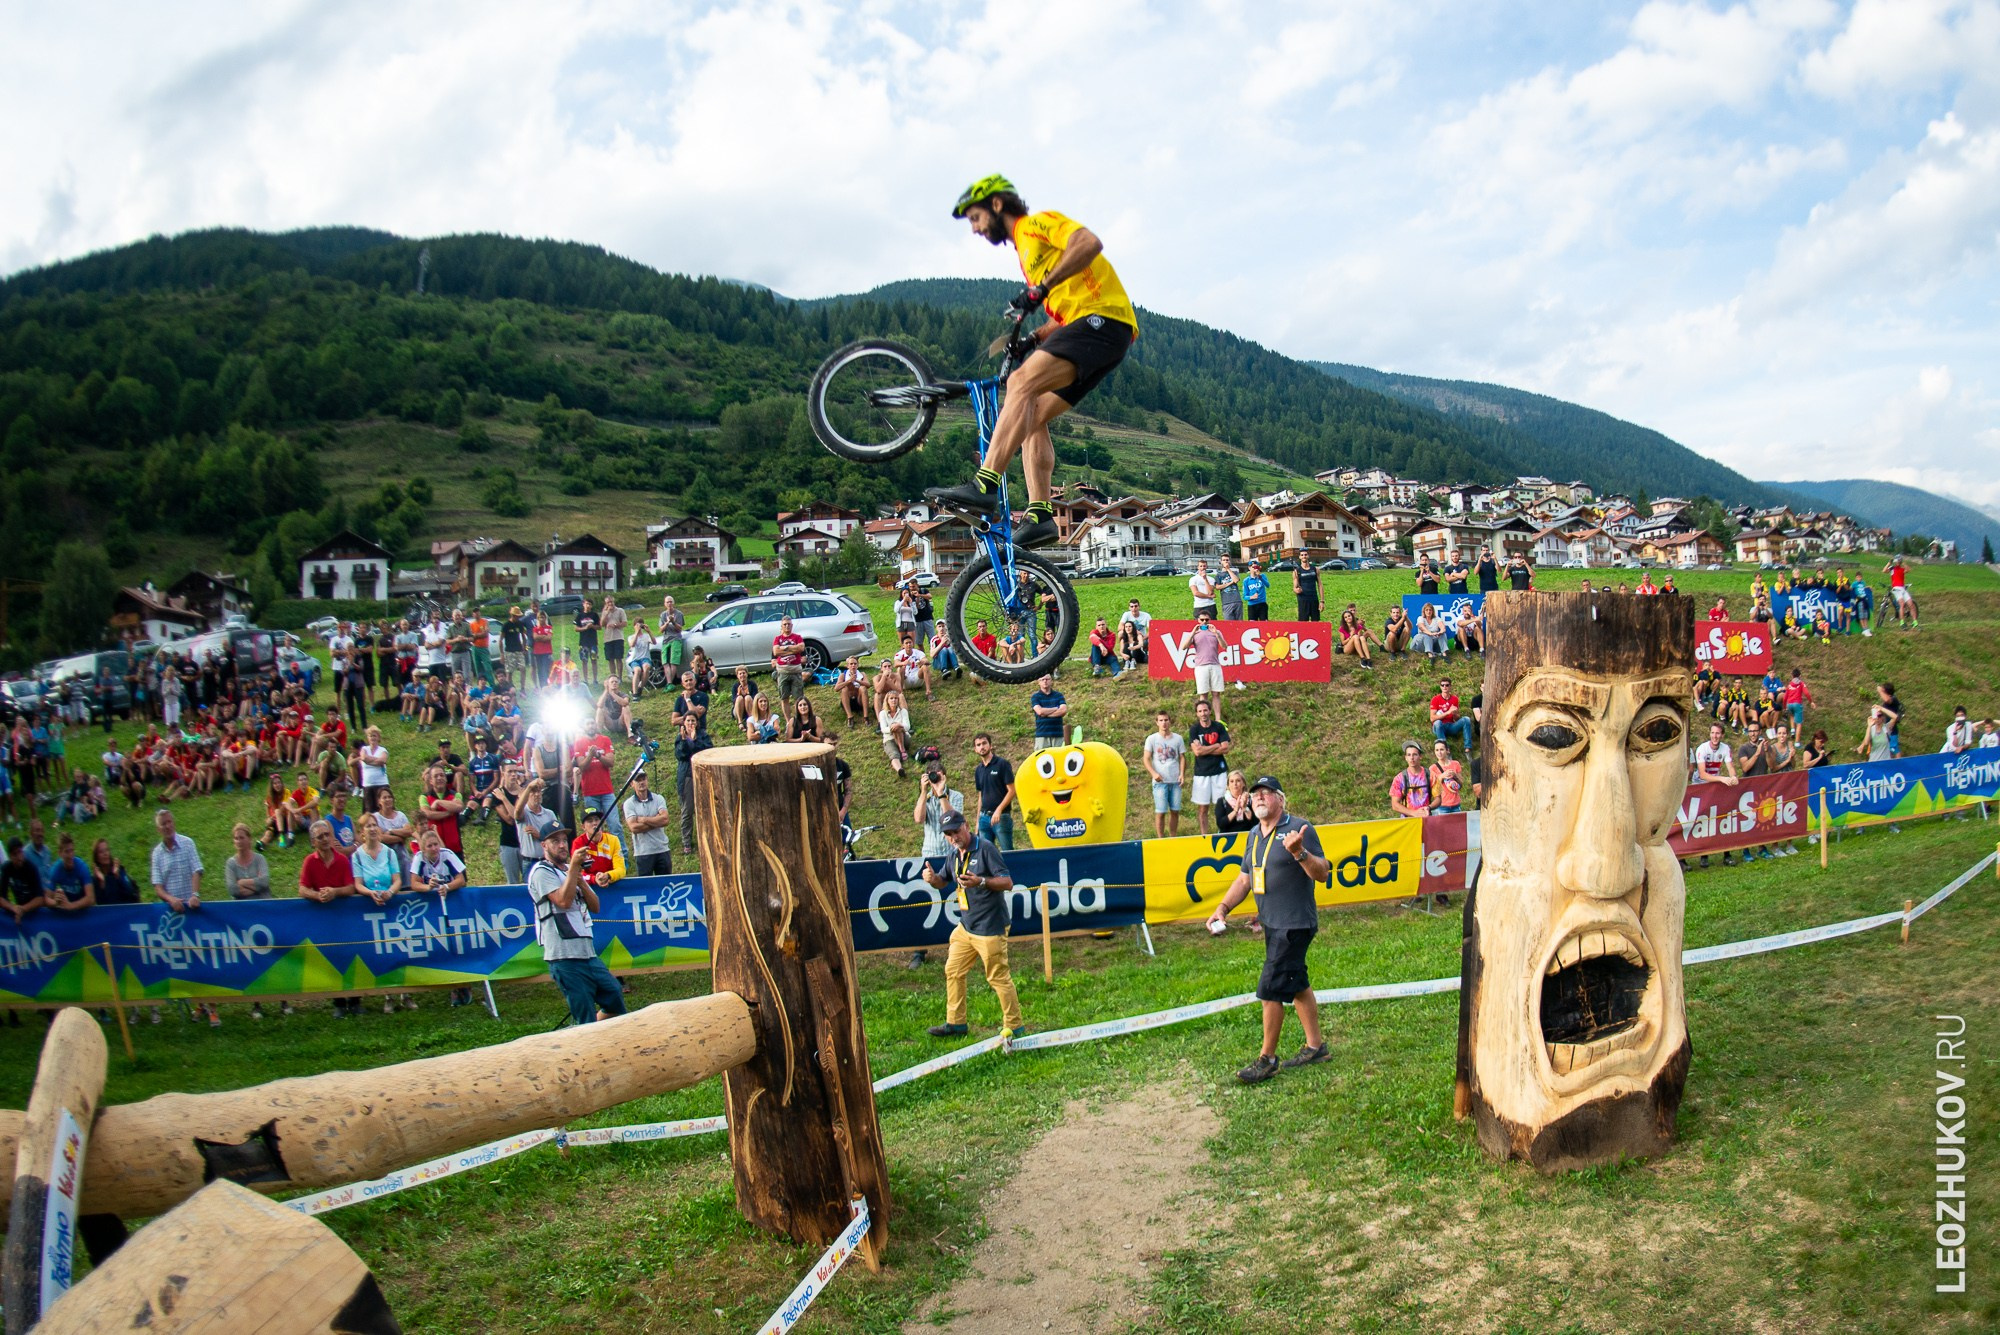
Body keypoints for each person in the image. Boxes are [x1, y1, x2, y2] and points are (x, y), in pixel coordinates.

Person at [927, 176, 1136, 551]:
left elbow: (1089, 243)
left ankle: (984, 484)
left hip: (1103, 320)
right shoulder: (1025, 252)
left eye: (975, 218)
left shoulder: (1035, 225)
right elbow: (1065, 311)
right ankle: (1040, 516)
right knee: (1032, 411)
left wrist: (1040, 289)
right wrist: (1034, 338)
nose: (974, 229)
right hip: (1097, 329)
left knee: (1019, 383)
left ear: (996, 205)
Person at [1206, 776, 1332, 1082]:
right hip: (1272, 924)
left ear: (1281, 799)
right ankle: (1316, 1047)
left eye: (1267, 793)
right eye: (1256, 794)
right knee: (1296, 982)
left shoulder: (1299, 828)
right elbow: (1245, 878)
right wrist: (1223, 907)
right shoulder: (1253, 834)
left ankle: (1267, 1059)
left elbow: (1323, 873)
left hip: (1295, 924)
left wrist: (1300, 853)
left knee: (1270, 989)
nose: (1259, 797)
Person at [923, 810, 1026, 1038]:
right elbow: (942, 881)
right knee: (953, 971)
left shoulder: (986, 848)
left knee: (998, 977)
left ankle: (1015, 1027)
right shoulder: (954, 855)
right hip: (966, 927)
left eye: (956, 831)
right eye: (948, 834)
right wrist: (932, 879)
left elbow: (1007, 883)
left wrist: (980, 881)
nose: (953, 837)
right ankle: (956, 1024)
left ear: (966, 826)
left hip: (990, 927)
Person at [527, 824, 628, 1026]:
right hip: (564, 956)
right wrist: (573, 868)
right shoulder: (541, 872)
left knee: (615, 998)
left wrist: (580, 880)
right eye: (555, 841)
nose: (562, 845)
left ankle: (588, 1034)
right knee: (584, 1015)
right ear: (544, 845)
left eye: (564, 840)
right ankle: (583, 1039)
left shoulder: (569, 871)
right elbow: (563, 901)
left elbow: (595, 906)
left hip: (587, 953)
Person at [1188, 700, 1231, 835]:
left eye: (1205, 710)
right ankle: (1204, 836)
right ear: (1197, 713)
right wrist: (1215, 745)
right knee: (1203, 808)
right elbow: (1197, 752)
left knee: (1222, 806)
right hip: (1201, 773)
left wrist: (1204, 749)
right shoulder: (1194, 730)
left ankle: (1222, 832)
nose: (1203, 713)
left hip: (1219, 772)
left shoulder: (1218, 727)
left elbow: (1225, 748)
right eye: (1200, 711)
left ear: (1210, 711)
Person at [150, 809, 203, 913]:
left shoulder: (188, 843)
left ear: (174, 823)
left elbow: (197, 870)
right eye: (163, 824)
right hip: (170, 909)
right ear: (158, 829)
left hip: (192, 906)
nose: (168, 826)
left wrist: (195, 895)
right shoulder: (156, 853)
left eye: (169, 822)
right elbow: (158, 886)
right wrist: (171, 900)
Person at [1142, 711, 1186, 838]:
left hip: (1175, 780)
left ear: (1170, 721)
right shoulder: (1152, 739)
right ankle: (1161, 838)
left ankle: (1173, 837)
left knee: (1175, 811)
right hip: (1160, 782)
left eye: (1166, 720)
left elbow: (1182, 757)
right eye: (1161, 720)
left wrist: (1182, 774)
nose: (1164, 723)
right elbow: (1146, 758)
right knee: (1161, 811)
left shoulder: (1178, 738)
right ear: (1157, 722)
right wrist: (1153, 773)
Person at [622, 768, 674, 876]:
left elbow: (665, 820)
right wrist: (656, 821)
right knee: (646, 884)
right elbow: (634, 828)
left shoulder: (658, 798)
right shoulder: (629, 803)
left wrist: (644, 819)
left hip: (662, 849)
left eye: (643, 779)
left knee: (665, 882)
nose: (641, 782)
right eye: (638, 780)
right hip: (643, 852)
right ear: (632, 784)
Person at [970, 733, 1017, 850]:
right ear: (975, 749)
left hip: (1001, 817)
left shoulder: (1002, 764)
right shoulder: (978, 770)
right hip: (984, 818)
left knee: (1007, 853)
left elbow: (1012, 790)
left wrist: (999, 810)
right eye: (978, 745)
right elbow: (980, 796)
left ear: (990, 745)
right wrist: (977, 821)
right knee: (985, 854)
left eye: (984, 743)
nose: (982, 747)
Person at [674, 713, 711, 855]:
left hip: (702, 775)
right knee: (687, 810)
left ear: (697, 722)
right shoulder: (680, 738)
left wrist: (695, 740)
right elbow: (680, 755)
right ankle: (687, 841)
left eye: (693, 721)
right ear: (684, 723)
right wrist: (685, 740)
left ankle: (706, 838)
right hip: (687, 777)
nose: (691, 723)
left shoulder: (703, 735)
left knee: (705, 808)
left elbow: (707, 751)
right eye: (688, 721)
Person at [1189, 612, 1227, 715]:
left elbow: (1224, 646)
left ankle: (1218, 719)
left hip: (1215, 664)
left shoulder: (1216, 632)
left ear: (1210, 620)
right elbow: (1184, 646)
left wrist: (1216, 634)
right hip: (1201, 666)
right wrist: (1192, 633)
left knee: (1216, 693)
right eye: (1202, 620)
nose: (1204, 622)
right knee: (1203, 694)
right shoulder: (1195, 633)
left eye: (1206, 620)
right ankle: (1203, 717)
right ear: (1198, 620)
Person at [224, 823, 272, 899]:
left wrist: (241, 882)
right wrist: (256, 888)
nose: (239, 841)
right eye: (236, 838)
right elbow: (232, 889)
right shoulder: (231, 863)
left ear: (249, 839)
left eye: (242, 838)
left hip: (262, 902)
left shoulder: (259, 859)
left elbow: (264, 882)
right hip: (242, 904)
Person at [770, 615, 808, 711]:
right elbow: (776, 652)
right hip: (783, 672)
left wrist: (784, 648)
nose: (787, 626)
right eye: (785, 624)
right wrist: (793, 650)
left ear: (792, 625)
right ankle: (788, 719)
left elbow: (801, 648)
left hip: (796, 671)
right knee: (784, 698)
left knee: (799, 699)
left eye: (789, 624)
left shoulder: (797, 637)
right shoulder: (777, 638)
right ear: (781, 626)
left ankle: (798, 718)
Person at [1430, 678, 1474, 754]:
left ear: (1450, 686)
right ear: (1440, 687)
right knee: (1438, 723)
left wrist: (1455, 714)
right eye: (1442, 685)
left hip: (1450, 725)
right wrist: (1448, 712)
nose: (1444, 687)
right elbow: (1432, 718)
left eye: (1447, 685)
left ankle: (1468, 748)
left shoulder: (1454, 699)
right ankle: (1445, 749)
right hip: (1439, 727)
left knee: (1466, 719)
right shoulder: (1435, 699)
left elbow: (1457, 719)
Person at [1390, 742, 1432, 818]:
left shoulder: (1430, 775)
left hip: (1426, 818)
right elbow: (1394, 804)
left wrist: (1429, 807)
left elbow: (1438, 798)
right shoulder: (1399, 778)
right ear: (1405, 757)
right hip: (1408, 820)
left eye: (1415, 754)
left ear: (1420, 756)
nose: (1412, 758)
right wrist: (1413, 813)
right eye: (1409, 755)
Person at [1029, 673, 1067, 750]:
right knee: (1041, 757)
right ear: (1039, 682)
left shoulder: (1059, 695)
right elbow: (1040, 711)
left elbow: (1063, 711)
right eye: (1042, 680)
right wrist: (1056, 708)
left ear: (1051, 681)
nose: (1045, 681)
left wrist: (1045, 714)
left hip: (1058, 734)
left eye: (1047, 679)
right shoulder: (1035, 697)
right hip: (1042, 735)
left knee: (1059, 757)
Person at [1430, 740, 1465, 814]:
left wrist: (1455, 775)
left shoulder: (1455, 764)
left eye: (1442, 749)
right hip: (1442, 805)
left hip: (1456, 804)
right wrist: (1441, 777)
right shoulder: (1432, 768)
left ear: (1447, 750)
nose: (1439, 752)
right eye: (1437, 750)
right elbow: (1433, 789)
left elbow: (1461, 783)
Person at [1216, 556, 1245, 621]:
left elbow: (1236, 580)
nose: (1226, 561)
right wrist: (1230, 583)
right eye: (1224, 560)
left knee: (1239, 623)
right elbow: (1217, 587)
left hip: (1237, 600)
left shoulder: (1235, 572)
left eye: (1227, 560)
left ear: (1229, 561)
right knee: (1228, 623)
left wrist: (1228, 569)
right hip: (1226, 602)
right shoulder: (1219, 575)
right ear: (1221, 562)